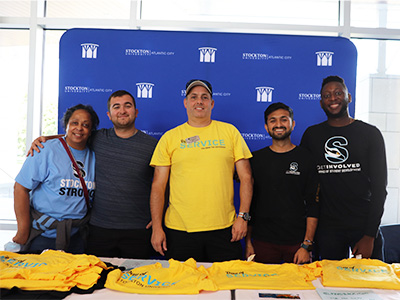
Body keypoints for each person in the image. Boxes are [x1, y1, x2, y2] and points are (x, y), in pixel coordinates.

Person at [28, 90, 158, 258]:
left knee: (136, 281)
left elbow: (163, 184)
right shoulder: (98, 138)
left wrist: (158, 217)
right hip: (99, 230)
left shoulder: (152, 145)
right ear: (109, 115)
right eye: (116, 107)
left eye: (128, 105)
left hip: (138, 230)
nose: (122, 111)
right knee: (96, 279)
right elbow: (74, 135)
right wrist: (45, 138)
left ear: (136, 111)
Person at [149, 79, 253, 262]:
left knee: (225, 287)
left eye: (205, 97)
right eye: (194, 97)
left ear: (212, 103)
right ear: (185, 102)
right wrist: (157, 227)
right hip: (180, 230)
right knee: (183, 288)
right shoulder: (170, 138)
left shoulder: (230, 132)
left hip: (224, 229)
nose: (199, 101)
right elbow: (158, 186)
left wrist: (243, 217)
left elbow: (246, 178)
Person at [300, 75, 387, 260]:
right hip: (328, 229)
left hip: (364, 226)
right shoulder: (312, 135)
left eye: (338, 93)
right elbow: (305, 183)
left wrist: (370, 235)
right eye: (327, 95)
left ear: (349, 97)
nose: (333, 98)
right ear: (321, 102)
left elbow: (380, 188)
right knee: (328, 285)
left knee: (372, 285)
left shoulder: (370, 133)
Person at [14, 104, 99, 253]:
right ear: (66, 125)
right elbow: (20, 188)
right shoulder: (45, 150)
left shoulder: (94, 154)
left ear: (91, 130)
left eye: (85, 125)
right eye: (74, 123)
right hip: (43, 236)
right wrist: (22, 232)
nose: (79, 128)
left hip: (77, 237)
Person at [245, 102, 319, 264]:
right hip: (262, 243)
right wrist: (248, 242)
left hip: (297, 244)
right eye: (273, 120)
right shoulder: (255, 159)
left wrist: (306, 245)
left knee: (300, 289)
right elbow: (250, 204)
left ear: (292, 124)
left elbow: (314, 205)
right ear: (266, 127)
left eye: (284, 120)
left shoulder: (306, 158)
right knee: (261, 289)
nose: (278, 124)